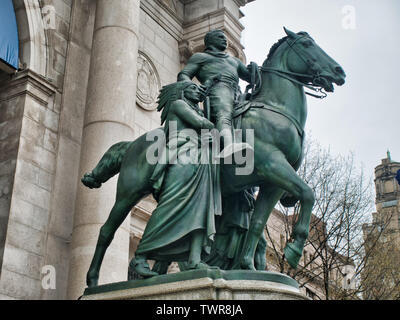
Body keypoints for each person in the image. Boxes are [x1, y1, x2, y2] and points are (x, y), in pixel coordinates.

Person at [130, 81, 222, 277]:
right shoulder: (179, 105)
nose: (198, 91)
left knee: (201, 210)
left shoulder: (194, 108)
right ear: (182, 91)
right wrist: (211, 119)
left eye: (199, 89)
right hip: (182, 154)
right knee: (170, 205)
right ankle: (140, 256)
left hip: (200, 160)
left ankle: (195, 259)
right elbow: (202, 124)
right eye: (194, 88)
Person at [177, 29, 253, 158]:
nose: (225, 40)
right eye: (220, 37)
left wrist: (255, 70)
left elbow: (250, 77)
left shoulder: (234, 61)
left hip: (237, 92)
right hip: (217, 88)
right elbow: (184, 75)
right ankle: (229, 146)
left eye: (225, 38)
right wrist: (194, 88)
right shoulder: (201, 57)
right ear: (210, 40)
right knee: (223, 114)